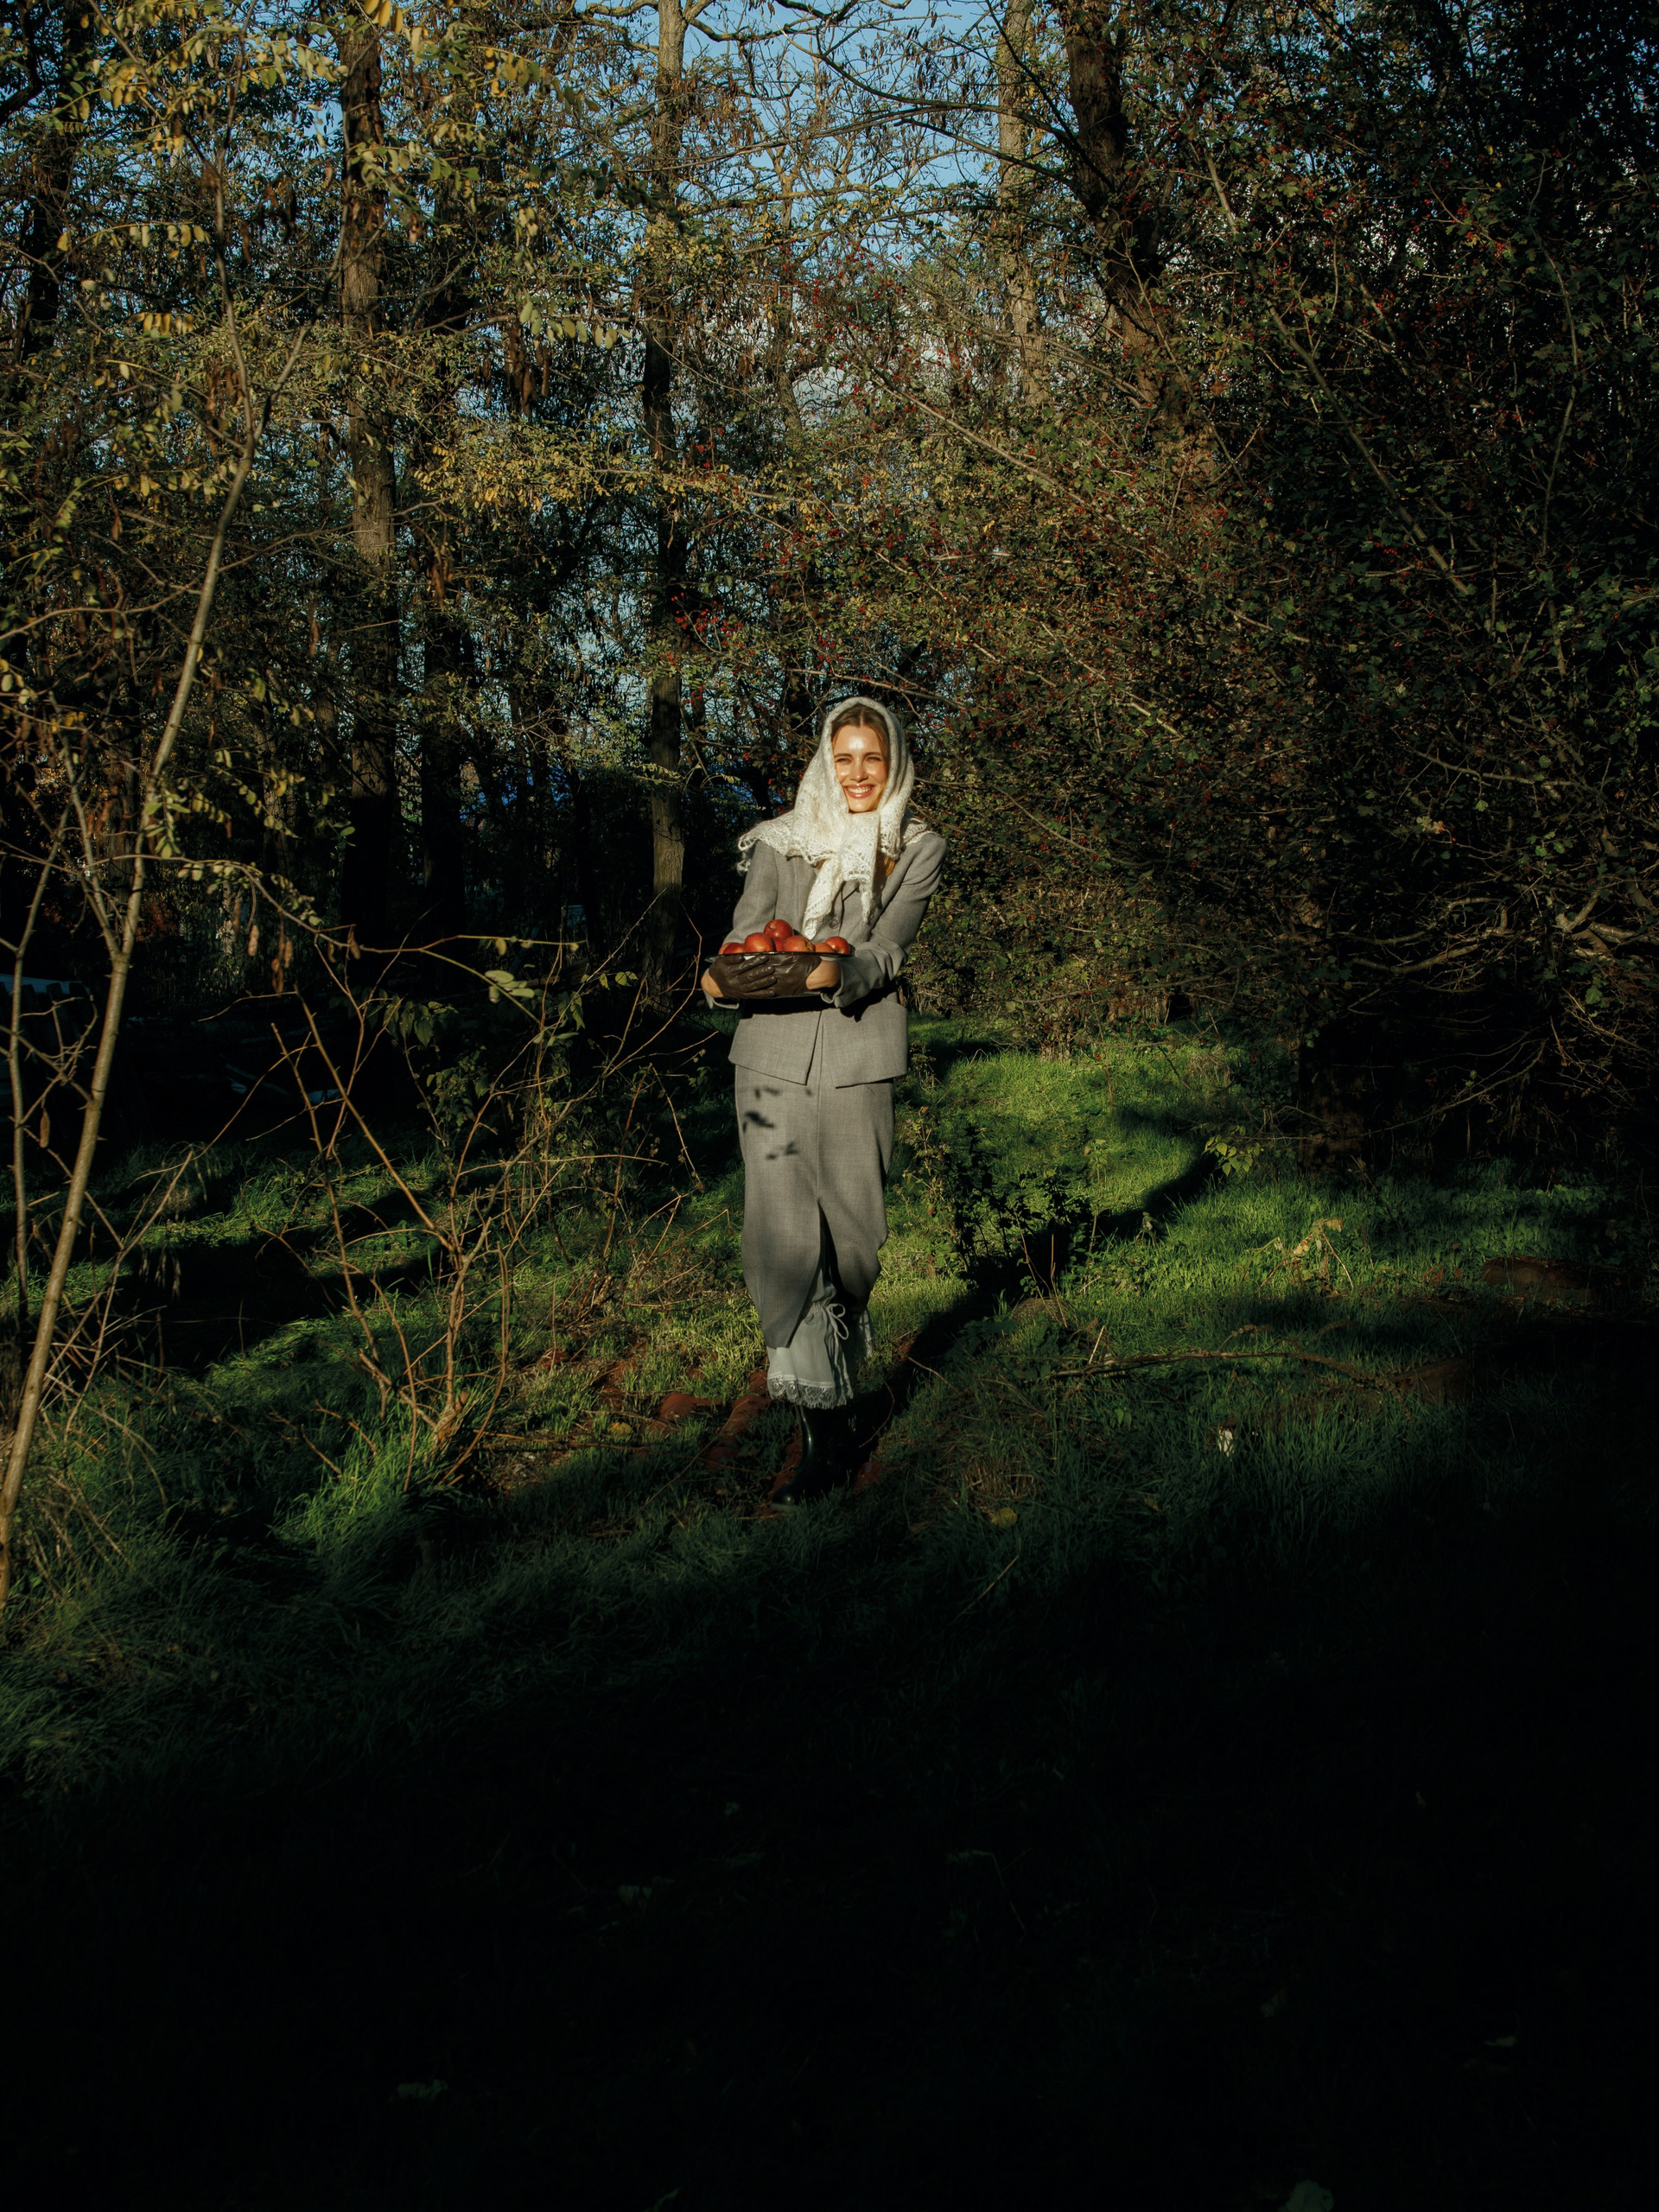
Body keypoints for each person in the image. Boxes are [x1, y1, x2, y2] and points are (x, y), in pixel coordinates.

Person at [702, 696, 947, 1505]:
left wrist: (840, 971)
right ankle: (825, 1431)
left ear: (894, 761)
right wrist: (734, 967)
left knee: (856, 1239)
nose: (857, 773)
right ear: (825, 762)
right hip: (768, 1060)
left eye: (872, 757)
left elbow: (889, 946)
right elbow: (746, 935)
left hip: (858, 1056)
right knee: (782, 1237)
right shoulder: (781, 841)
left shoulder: (916, 847)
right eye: (844, 758)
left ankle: (838, 1375)